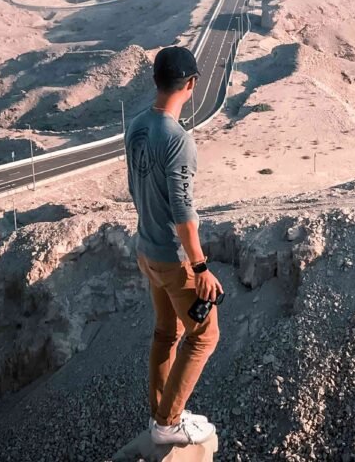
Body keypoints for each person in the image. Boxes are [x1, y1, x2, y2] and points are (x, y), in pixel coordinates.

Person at [124, 45, 223, 446]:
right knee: (204, 335)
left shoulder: (136, 125)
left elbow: (136, 187)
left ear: (155, 81)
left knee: (167, 333)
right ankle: (169, 422)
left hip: (145, 249)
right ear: (192, 84)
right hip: (172, 257)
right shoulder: (177, 139)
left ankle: (160, 417)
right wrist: (199, 267)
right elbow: (183, 210)